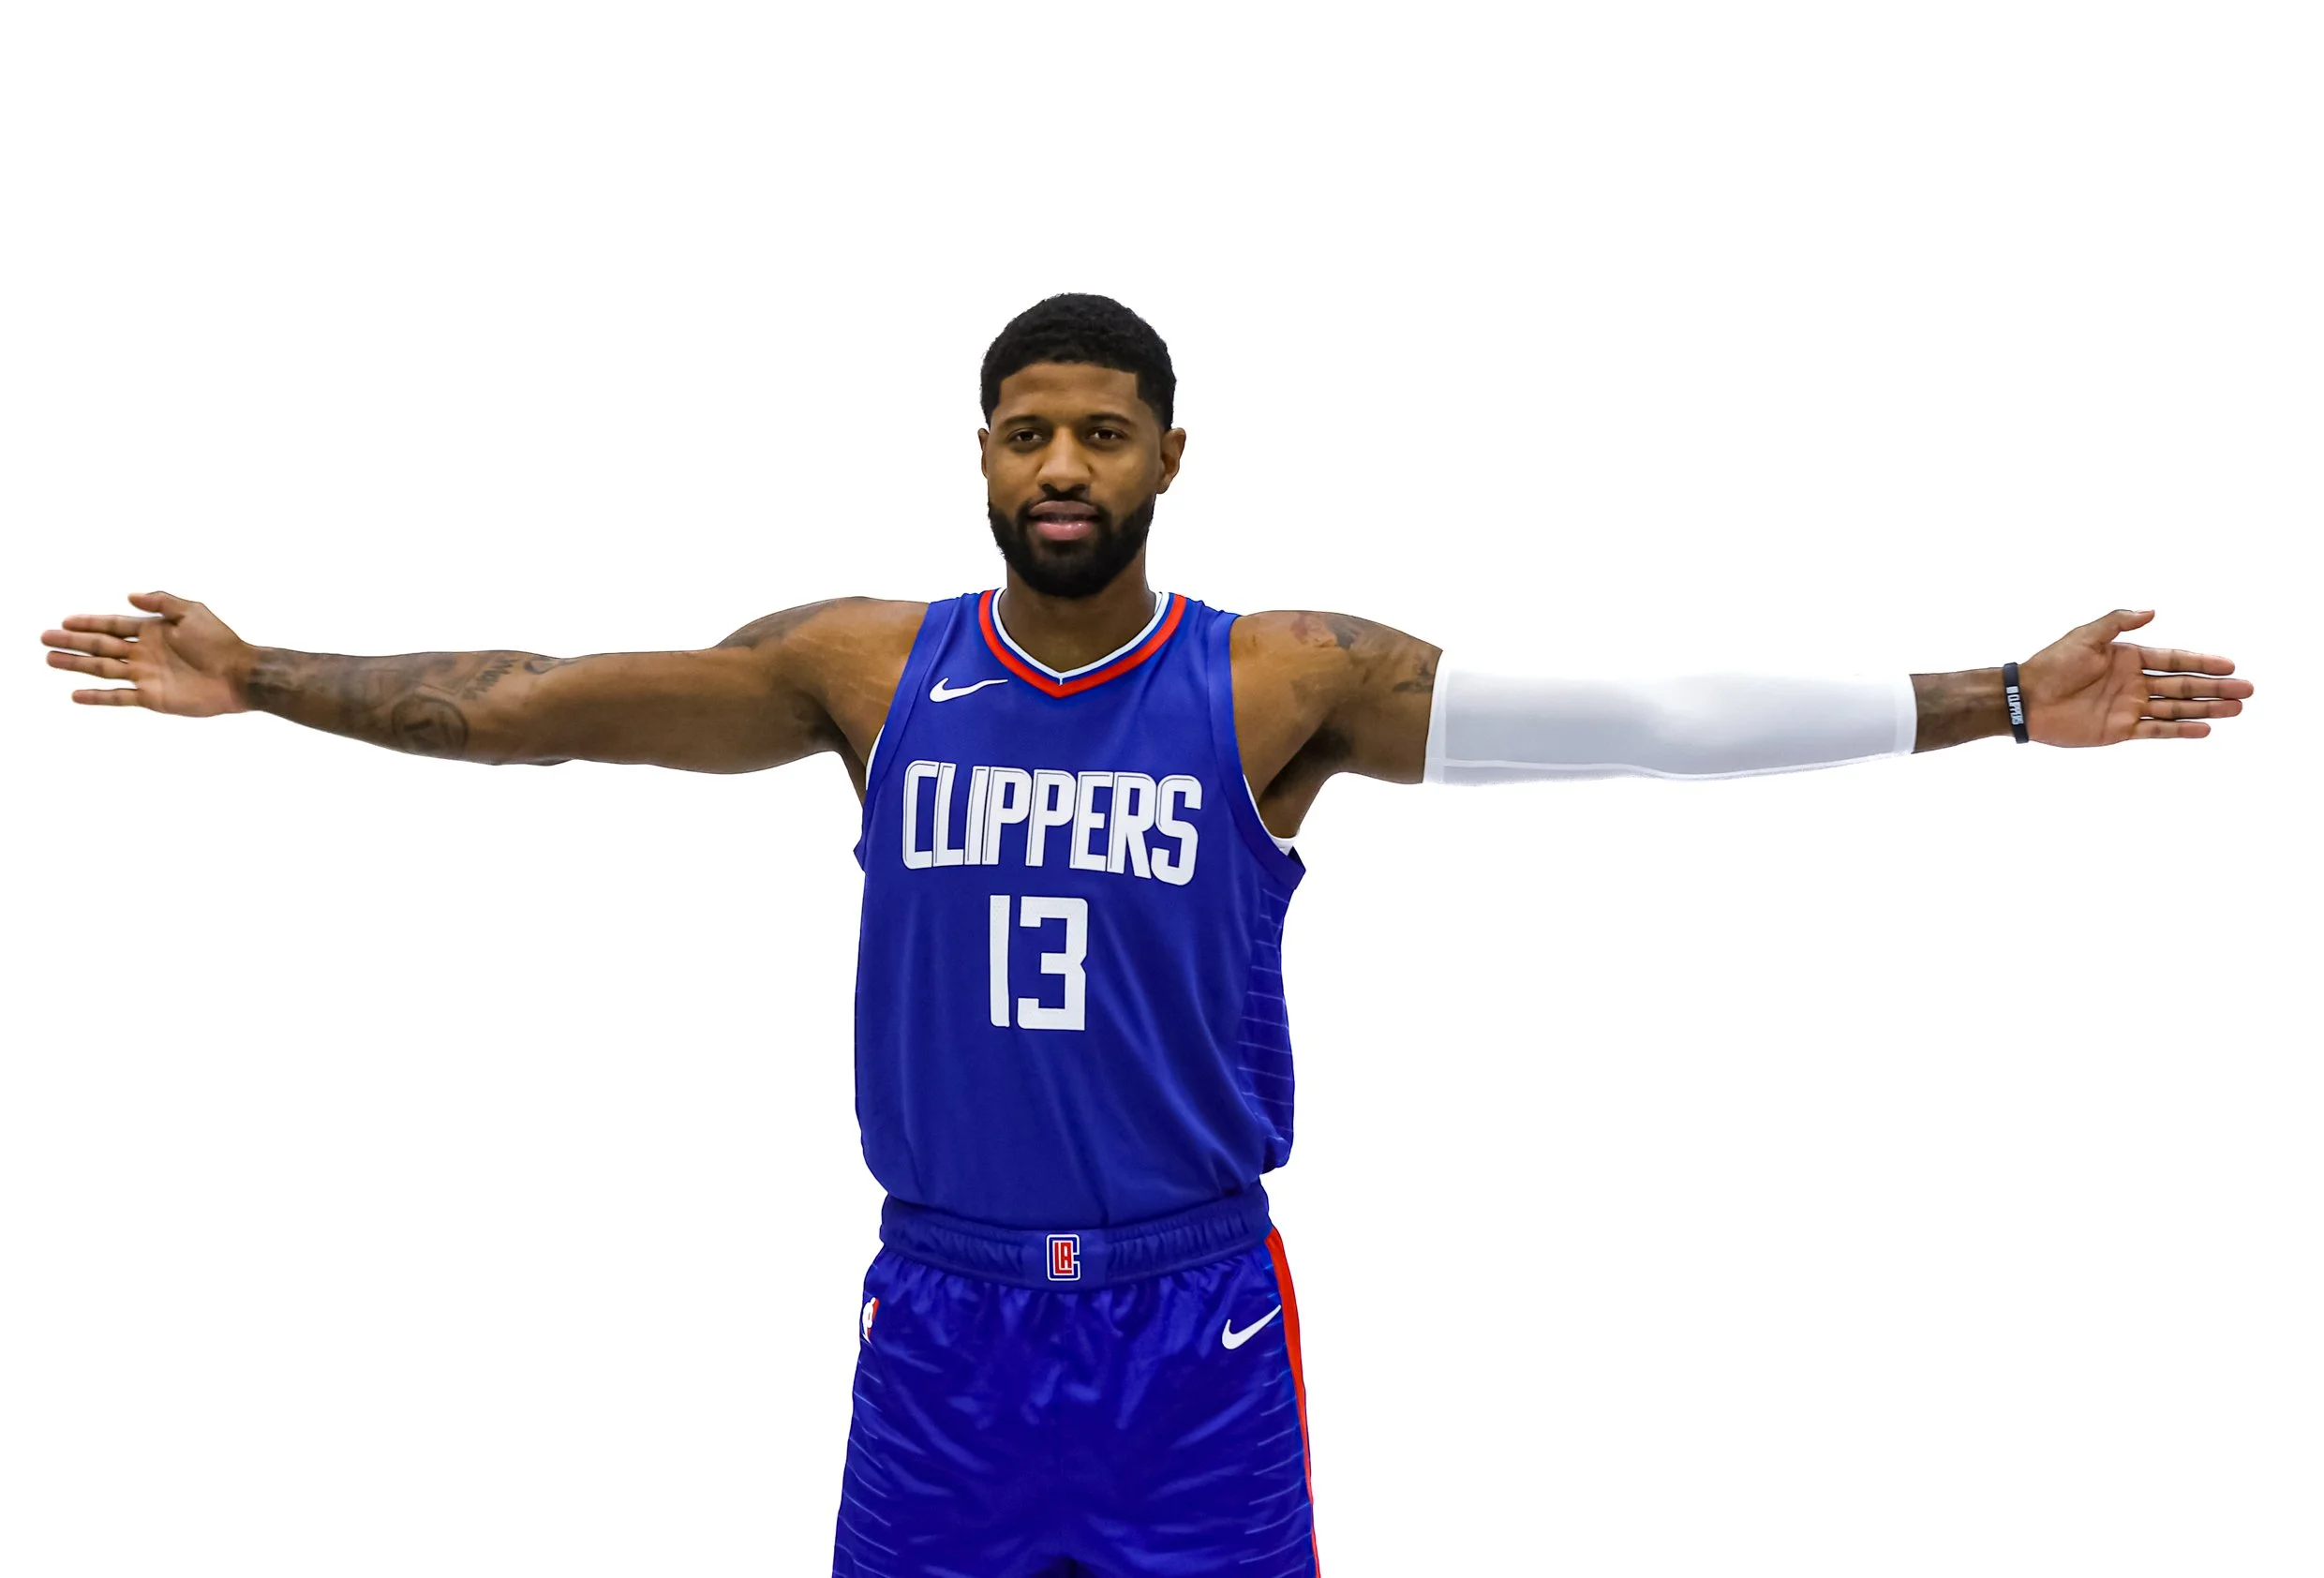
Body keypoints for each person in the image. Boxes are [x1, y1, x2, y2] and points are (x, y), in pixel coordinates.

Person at [41, 292, 2254, 1577]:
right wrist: (269, 676)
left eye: (1102, 430)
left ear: (1169, 455)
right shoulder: (864, 666)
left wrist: (1989, 698)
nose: (1062, 462)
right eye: (1028, 430)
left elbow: (1636, 718)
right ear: (979, 455)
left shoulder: (1279, 678)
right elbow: (530, 703)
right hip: (942, 1315)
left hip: (1191, 1317)